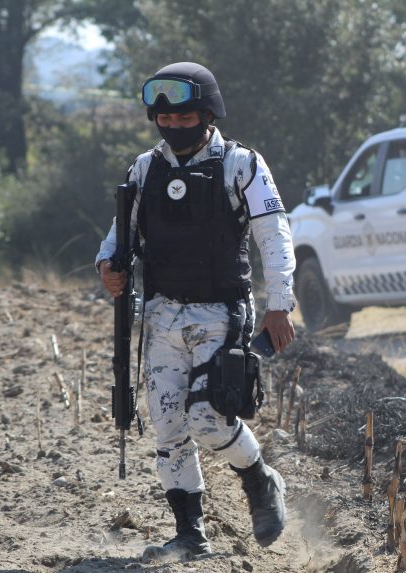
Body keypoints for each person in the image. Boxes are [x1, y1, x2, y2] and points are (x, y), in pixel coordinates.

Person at [95, 61, 296, 562]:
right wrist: (108, 264)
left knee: (207, 419)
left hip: (223, 312)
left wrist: (280, 305)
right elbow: (120, 232)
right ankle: (190, 534)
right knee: (167, 424)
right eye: (166, 119)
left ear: (207, 114)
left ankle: (259, 480)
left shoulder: (241, 164)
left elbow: (274, 235)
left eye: (186, 118)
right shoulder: (145, 168)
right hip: (162, 314)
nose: (175, 127)